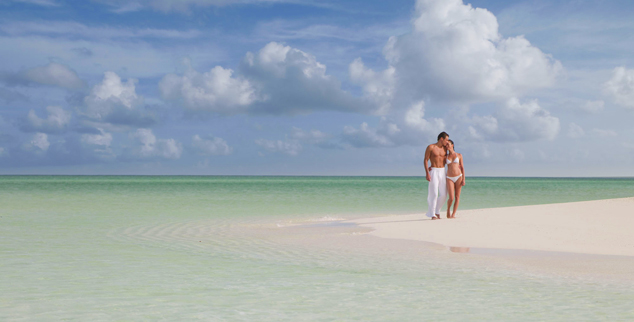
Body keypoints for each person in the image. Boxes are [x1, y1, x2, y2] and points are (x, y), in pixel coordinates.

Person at [424, 132, 450, 220]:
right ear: (441, 139)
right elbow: (425, 159)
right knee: (434, 193)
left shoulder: (445, 149)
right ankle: (432, 214)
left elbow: (449, 158)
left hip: (442, 171)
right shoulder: (431, 147)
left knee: (444, 194)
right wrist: (427, 172)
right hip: (434, 171)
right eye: (446, 140)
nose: (447, 142)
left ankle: (437, 211)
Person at [445, 139, 465, 219]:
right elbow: (438, 163)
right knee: (451, 197)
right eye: (446, 145)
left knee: (457, 197)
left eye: (448, 144)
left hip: (458, 177)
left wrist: (463, 179)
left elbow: (462, 167)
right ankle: (448, 210)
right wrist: (431, 167)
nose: (447, 146)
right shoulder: (445, 156)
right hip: (449, 177)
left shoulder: (459, 155)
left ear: (452, 145)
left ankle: (453, 214)